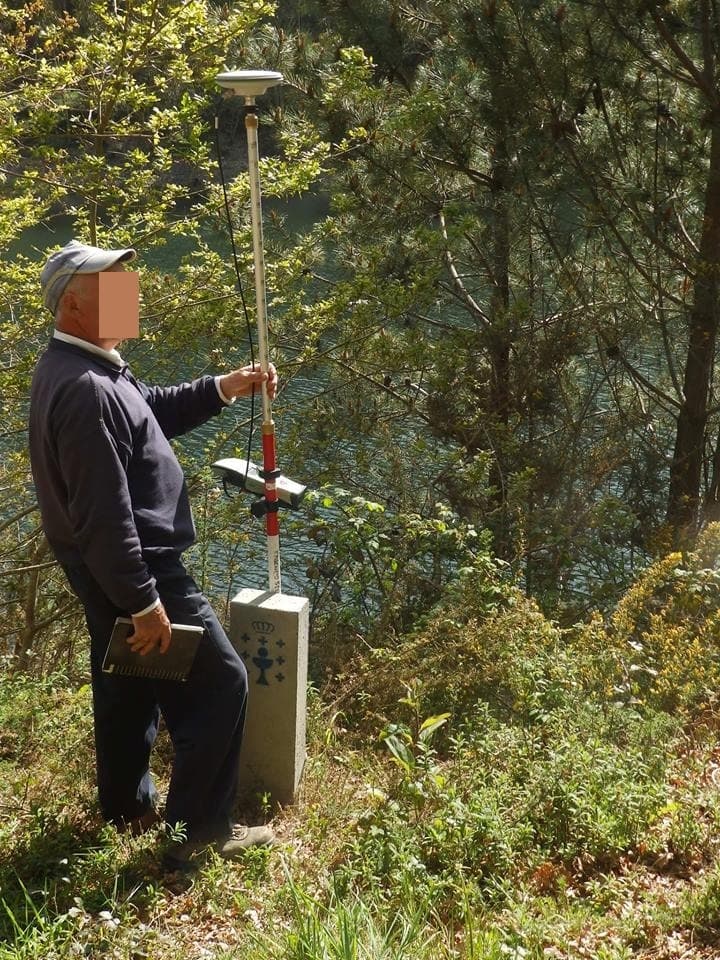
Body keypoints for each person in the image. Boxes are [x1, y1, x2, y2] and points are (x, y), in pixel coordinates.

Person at [29, 240, 278, 870]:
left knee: (129, 682)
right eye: (114, 286)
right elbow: (104, 516)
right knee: (221, 684)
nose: (130, 294)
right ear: (74, 303)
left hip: (109, 565)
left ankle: (125, 807)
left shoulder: (92, 366)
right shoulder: (84, 388)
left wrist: (224, 387)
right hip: (139, 565)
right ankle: (196, 836)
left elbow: (149, 413)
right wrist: (144, 601)